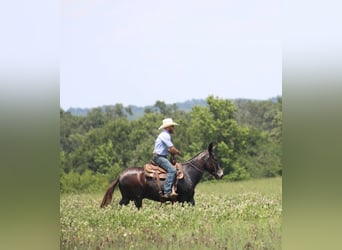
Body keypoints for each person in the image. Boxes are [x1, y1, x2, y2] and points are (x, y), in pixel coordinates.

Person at [153, 118, 181, 199]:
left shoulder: (164, 135)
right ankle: (167, 192)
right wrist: (178, 152)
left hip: (162, 156)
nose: (173, 128)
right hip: (159, 157)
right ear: (168, 127)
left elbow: (168, 149)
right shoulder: (165, 135)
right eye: (172, 126)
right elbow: (171, 148)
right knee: (172, 170)